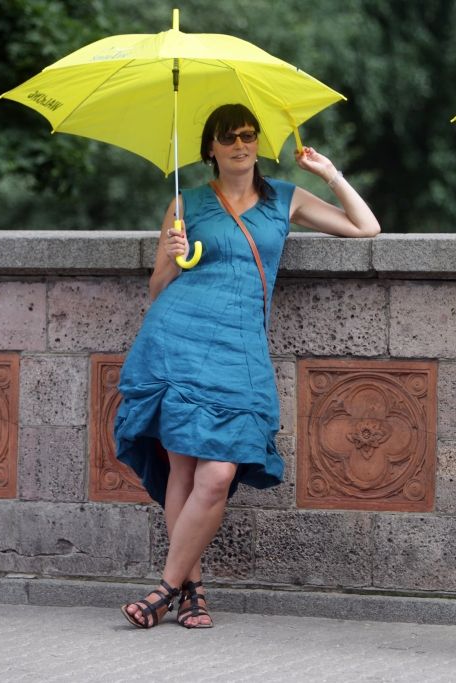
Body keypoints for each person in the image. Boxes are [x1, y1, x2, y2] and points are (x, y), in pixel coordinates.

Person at [116, 103, 380, 629]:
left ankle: (166, 587)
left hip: (240, 351)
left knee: (218, 474)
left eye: (249, 135)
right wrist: (170, 252)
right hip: (179, 341)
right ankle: (191, 592)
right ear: (210, 148)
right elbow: (156, 289)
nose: (241, 144)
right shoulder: (184, 204)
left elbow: (366, 227)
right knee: (184, 471)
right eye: (229, 137)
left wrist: (329, 174)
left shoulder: (285, 198)